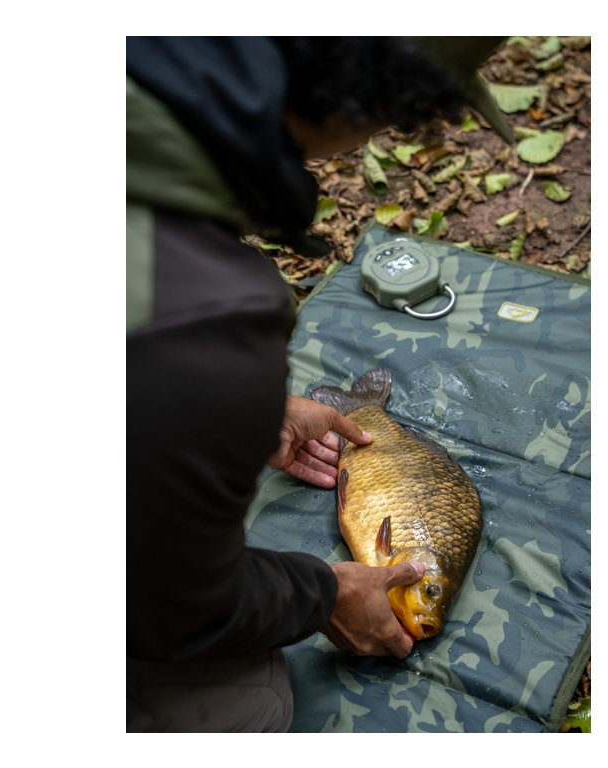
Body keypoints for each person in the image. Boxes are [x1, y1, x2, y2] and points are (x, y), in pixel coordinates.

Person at [126, 36, 515, 733]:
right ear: (367, 97)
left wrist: (215, 417)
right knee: (253, 704)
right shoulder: (207, 315)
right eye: (402, 112)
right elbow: (172, 603)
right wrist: (323, 594)